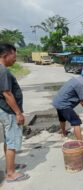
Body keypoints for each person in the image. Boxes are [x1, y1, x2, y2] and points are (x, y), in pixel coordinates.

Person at [0, 43, 30, 182]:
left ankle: (10, 166)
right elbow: (7, 93)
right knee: (12, 140)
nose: (15, 59)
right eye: (14, 56)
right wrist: (18, 113)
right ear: (5, 55)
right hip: (9, 111)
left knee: (8, 139)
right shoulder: (3, 71)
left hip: (5, 110)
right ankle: (11, 174)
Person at [53, 68, 83, 141]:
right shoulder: (81, 84)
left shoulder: (76, 79)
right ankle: (80, 142)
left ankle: (63, 132)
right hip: (64, 104)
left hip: (58, 101)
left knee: (62, 118)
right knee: (76, 122)